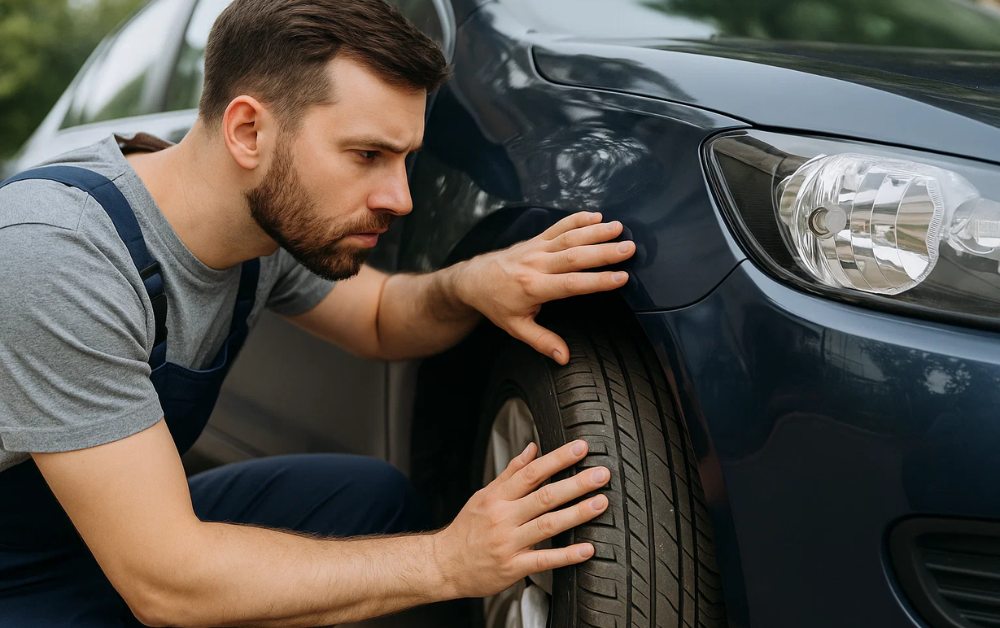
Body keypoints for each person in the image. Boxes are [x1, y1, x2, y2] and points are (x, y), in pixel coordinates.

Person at [0, 0, 635, 624]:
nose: (401, 198)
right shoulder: (58, 255)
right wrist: (447, 561)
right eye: (367, 156)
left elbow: (381, 316)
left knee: (371, 500)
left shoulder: (260, 225)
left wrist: (472, 283)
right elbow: (166, 583)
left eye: (405, 159)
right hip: (25, 579)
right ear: (249, 131)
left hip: (94, 542)